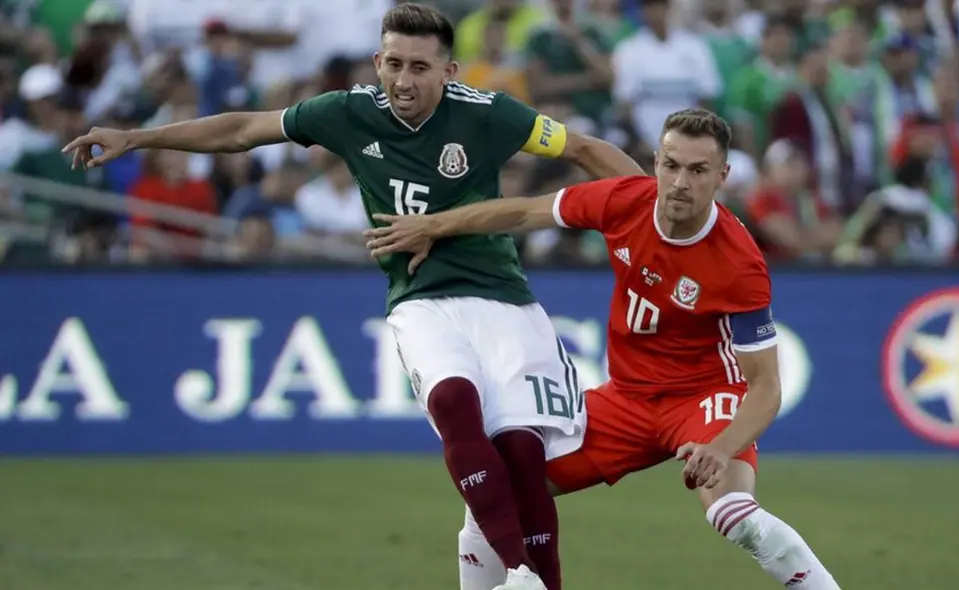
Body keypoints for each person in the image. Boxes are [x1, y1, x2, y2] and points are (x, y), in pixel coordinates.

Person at [61, 4, 644, 590]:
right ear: (376, 61)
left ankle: (532, 579)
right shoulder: (348, 112)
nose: (404, 80)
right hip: (421, 299)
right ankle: (518, 574)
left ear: (450, 72)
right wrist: (137, 137)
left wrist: (653, 208)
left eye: (420, 67)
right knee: (453, 404)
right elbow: (243, 130)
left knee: (522, 455)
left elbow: (585, 151)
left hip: (503, 298)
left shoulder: (490, 114)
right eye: (393, 63)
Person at [364, 109, 843, 590]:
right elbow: (524, 211)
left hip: (702, 399)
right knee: (495, 492)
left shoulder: (739, 262)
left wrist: (722, 449)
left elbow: (765, 386)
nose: (680, 182)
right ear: (655, 162)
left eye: (698, 171)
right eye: (671, 165)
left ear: (722, 176)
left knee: (735, 517)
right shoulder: (625, 201)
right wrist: (435, 225)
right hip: (627, 401)